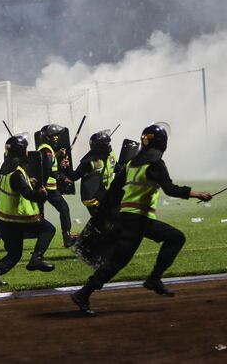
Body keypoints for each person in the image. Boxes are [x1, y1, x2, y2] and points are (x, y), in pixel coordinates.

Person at [70, 123, 213, 316]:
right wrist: (197, 194)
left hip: (126, 218)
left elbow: (112, 192)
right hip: (139, 220)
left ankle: (84, 293)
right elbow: (170, 189)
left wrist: (103, 218)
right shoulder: (155, 163)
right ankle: (152, 279)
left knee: (118, 261)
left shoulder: (131, 164)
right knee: (174, 239)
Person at [0, 134, 56, 287]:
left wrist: (28, 181)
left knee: (14, 254)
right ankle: (36, 259)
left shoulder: (5, 169)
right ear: (21, 151)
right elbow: (27, 194)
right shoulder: (17, 173)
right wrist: (40, 194)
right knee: (48, 229)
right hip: (20, 218)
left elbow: (11, 189)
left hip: (4, 219)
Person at [37, 124, 77, 247]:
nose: (56, 137)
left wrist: (59, 159)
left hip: (47, 188)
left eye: (57, 135)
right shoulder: (46, 150)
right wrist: (62, 177)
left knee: (38, 214)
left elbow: (50, 165)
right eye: (53, 135)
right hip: (48, 188)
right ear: (48, 136)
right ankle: (66, 237)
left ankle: (66, 237)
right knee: (63, 209)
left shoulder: (47, 149)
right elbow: (48, 170)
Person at [65, 129, 118, 216]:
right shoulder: (109, 156)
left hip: (101, 195)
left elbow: (74, 176)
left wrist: (66, 167)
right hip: (99, 196)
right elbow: (117, 169)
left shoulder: (91, 160)